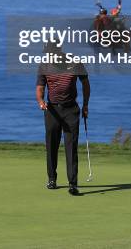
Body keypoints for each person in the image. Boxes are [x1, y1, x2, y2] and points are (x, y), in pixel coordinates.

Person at [36, 42, 90, 196]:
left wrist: (86, 105)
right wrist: (41, 102)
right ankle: (52, 179)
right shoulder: (44, 65)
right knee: (51, 145)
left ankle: (73, 184)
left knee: (71, 147)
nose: (49, 55)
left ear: (59, 51)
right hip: (52, 109)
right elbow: (40, 88)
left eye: (52, 52)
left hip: (71, 110)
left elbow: (85, 83)